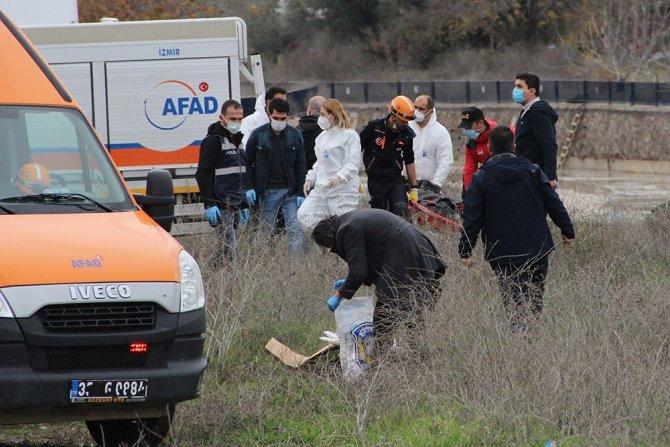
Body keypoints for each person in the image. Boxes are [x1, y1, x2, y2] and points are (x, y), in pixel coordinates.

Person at [458, 125, 575, 328]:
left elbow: (472, 217)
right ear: (514, 145)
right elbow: (553, 203)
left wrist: (465, 250)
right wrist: (567, 231)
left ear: (490, 146)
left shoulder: (481, 178)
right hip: (537, 246)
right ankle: (531, 331)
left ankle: (519, 334)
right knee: (536, 294)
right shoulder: (533, 171)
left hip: (502, 250)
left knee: (512, 296)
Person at [312, 209, 446, 347]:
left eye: (329, 246)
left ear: (329, 238)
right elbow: (372, 255)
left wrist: (340, 294)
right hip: (411, 246)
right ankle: (416, 355)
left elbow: (358, 271)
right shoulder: (348, 221)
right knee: (409, 309)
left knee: (386, 316)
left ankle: (382, 360)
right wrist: (351, 282)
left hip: (405, 253)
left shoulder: (347, 229)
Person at [244, 98, 306, 252]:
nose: (279, 121)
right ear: (269, 114)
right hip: (267, 190)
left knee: (294, 228)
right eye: (276, 118)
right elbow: (248, 162)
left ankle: (295, 263)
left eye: (283, 118)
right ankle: (266, 259)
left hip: (290, 191)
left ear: (287, 117)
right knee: (267, 229)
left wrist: (300, 191)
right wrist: (249, 186)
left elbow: (300, 165)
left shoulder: (295, 135)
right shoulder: (258, 135)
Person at [195, 99, 249, 265]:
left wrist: (244, 203)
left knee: (224, 247)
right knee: (229, 247)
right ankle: (234, 282)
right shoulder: (213, 141)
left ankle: (211, 268)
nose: (237, 122)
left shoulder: (237, 140)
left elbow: (239, 174)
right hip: (220, 203)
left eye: (240, 119)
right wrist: (209, 204)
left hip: (236, 202)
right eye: (233, 119)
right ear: (222, 118)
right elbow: (203, 173)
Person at [297, 99, 360, 230]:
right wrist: (310, 178)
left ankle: (340, 246)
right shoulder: (321, 137)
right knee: (305, 215)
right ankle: (326, 243)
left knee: (344, 226)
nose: (320, 118)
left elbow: (353, 162)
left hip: (342, 190)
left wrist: (340, 176)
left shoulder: (349, 135)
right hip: (322, 188)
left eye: (323, 114)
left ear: (333, 115)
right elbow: (320, 162)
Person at [360, 95, 418, 219]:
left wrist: (414, 187)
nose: (406, 123)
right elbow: (356, 149)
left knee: (402, 210)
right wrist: (354, 177)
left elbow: (409, 160)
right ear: (393, 117)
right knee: (381, 216)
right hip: (376, 179)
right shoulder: (374, 127)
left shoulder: (407, 134)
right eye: (403, 120)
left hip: (395, 178)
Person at [513, 72, 559, 189]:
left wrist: (551, 177)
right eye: (515, 86)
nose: (515, 90)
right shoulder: (526, 111)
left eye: (519, 86)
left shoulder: (538, 112)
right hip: (525, 174)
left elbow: (549, 144)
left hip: (537, 177)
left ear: (532, 91)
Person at [408, 95, 453, 192]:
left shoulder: (440, 132)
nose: (416, 111)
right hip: (406, 185)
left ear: (430, 111)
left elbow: (445, 160)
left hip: (429, 188)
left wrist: (435, 183)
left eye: (421, 109)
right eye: (415, 107)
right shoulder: (407, 128)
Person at [457, 106, 497, 195]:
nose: (466, 130)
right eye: (465, 128)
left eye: (469, 127)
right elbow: (469, 169)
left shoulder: (497, 134)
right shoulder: (471, 144)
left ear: (481, 123)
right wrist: (468, 192)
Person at [298, 95, 327, 171]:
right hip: (322, 173)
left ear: (309, 110)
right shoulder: (326, 130)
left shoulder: (296, 131)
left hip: (301, 172)